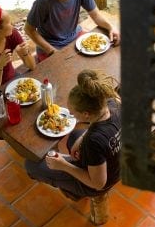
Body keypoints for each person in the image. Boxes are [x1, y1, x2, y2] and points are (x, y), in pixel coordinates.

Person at [25, 69, 121, 200]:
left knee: (31, 165)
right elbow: (101, 126)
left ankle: (76, 191)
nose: (71, 115)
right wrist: (82, 138)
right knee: (75, 136)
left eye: (73, 113)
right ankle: (72, 181)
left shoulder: (94, 140)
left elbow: (98, 184)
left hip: (99, 183)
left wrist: (64, 166)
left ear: (86, 114)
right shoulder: (112, 103)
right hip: (118, 164)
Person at [25, 0, 120, 61]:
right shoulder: (43, 0)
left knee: (102, 55)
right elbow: (28, 29)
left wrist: (111, 27)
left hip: (74, 35)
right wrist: (52, 51)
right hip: (51, 44)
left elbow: (95, 15)